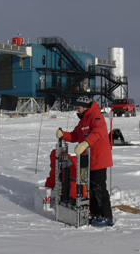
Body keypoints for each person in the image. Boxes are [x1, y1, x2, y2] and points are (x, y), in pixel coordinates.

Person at [56, 96, 113, 227]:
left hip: (99, 159)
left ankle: (106, 216)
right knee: (90, 189)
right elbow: (75, 135)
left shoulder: (96, 117)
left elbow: (100, 131)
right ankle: (94, 213)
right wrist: (63, 134)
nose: (77, 109)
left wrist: (86, 142)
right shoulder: (83, 121)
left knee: (99, 188)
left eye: (78, 107)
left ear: (85, 107)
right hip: (88, 160)